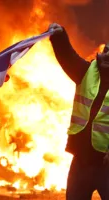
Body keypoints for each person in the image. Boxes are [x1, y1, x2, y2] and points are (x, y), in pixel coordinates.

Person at [48, 23, 109, 200]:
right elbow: (68, 57)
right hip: (81, 162)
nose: (107, 55)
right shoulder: (86, 72)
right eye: (106, 50)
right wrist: (59, 36)